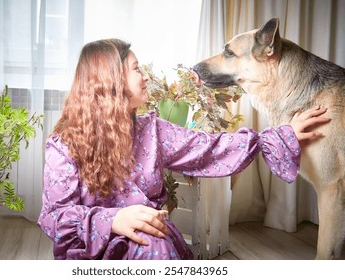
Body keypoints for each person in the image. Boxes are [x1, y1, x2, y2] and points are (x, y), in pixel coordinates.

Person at [37, 38, 330, 260]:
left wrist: (281, 135)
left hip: (153, 243)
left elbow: (210, 148)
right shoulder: (64, 145)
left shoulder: (152, 131)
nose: (146, 76)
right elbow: (54, 217)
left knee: (153, 242)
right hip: (93, 252)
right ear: (110, 82)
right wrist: (113, 220)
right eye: (137, 69)